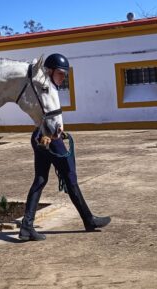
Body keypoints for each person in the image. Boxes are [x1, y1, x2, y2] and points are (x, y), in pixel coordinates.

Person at [19, 53, 111, 241]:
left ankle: (26, 226)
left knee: (40, 179)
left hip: (42, 136)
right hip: (47, 137)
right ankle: (89, 220)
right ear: (49, 71)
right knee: (70, 176)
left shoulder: (50, 87)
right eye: (60, 73)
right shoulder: (46, 88)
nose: (63, 77)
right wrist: (51, 135)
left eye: (64, 74)